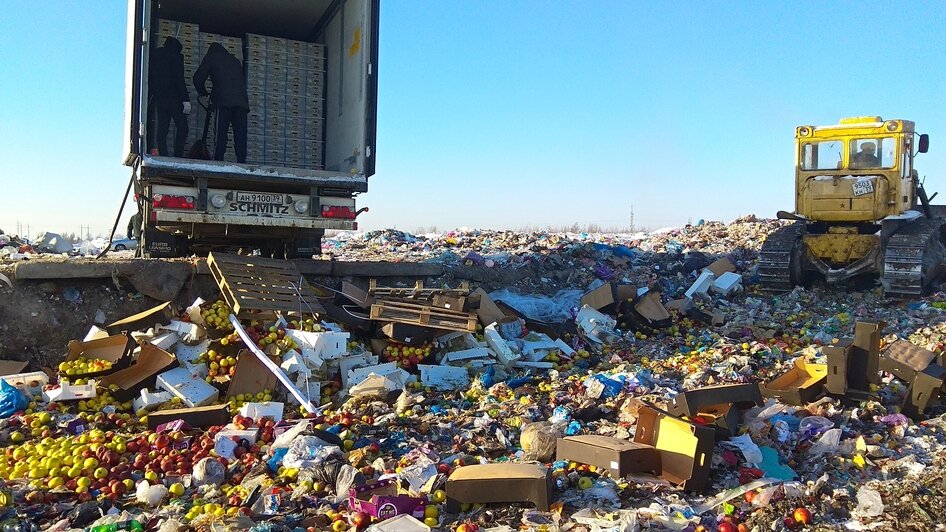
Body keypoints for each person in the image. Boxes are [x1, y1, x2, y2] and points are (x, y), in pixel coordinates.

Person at [193, 43, 249, 163]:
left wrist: (203, 92)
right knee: (240, 134)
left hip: (223, 101)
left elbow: (198, 77)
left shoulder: (212, 57)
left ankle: (218, 161)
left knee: (221, 133)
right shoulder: (235, 61)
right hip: (242, 102)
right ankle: (242, 161)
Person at [149, 37, 190, 157]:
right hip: (174, 98)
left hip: (160, 98)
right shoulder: (175, 56)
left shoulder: (155, 56)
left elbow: (150, 78)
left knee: (162, 129)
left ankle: (163, 154)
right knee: (183, 127)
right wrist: (185, 99)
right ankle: (178, 155)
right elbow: (179, 79)